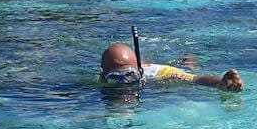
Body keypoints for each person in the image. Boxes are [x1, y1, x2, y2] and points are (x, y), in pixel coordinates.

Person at [99, 43, 243, 92]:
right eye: (115, 78)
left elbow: (196, 79)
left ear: (139, 72)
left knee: (188, 68)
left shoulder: (159, 73)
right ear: (103, 77)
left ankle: (189, 59)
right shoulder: (97, 81)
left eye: (130, 76)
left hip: (160, 69)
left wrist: (220, 83)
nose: (124, 83)